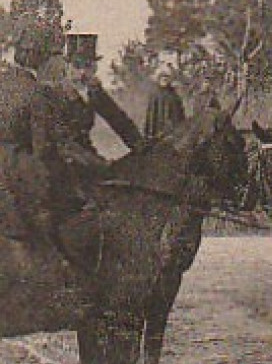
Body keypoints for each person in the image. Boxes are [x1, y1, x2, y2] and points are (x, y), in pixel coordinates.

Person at [0, 30, 143, 275]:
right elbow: (58, 143)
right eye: (78, 66)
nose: (83, 72)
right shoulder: (52, 94)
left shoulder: (95, 92)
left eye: (89, 66)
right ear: (66, 66)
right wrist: (99, 164)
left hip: (85, 157)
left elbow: (119, 121)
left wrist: (140, 147)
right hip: (66, 160)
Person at [144, 65, 187, 138]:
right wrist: (149, 133)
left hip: (172, 132)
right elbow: (151, 115)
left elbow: (179, 114)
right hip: (157, 131)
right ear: (158, 79)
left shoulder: (174, 95)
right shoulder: (155, 94)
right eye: (162, 77)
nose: (164, 79)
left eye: (166, 77)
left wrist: (181, 129)